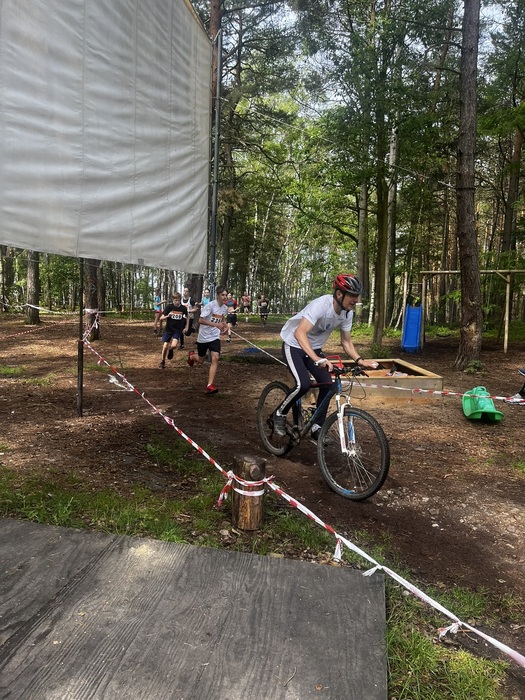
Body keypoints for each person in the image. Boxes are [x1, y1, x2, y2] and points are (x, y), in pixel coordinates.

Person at [273, 274, 378, 441]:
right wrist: (317, 358)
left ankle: (317, 427)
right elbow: (299, 333)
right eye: (352, 295)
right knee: (303, 384)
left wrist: (360, 361)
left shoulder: (347, 313)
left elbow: (346, 342)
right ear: (339, 294)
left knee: (328, 384)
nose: (355, 300)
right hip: (293, 345)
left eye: (357, 296)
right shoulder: (321, 305)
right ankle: (279, 413)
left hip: (313, 348)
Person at [187, 285, 228, 394]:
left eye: (226, 295)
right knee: (201, 360)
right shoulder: (210, 306)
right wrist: (216, 325)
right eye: (222, 295)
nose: (224, 297)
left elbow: (222, 320)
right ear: (217, 296)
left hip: (215, 337)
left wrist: (225, 326)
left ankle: (210, 385)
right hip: (203, 337)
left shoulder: (225, 308)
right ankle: (192, 356)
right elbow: (200, 320)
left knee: (215, 358)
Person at [158, 292, 189, 368]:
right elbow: (161, 318)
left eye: (179, 300)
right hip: (168, 329)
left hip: (177, 330)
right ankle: (162, 361)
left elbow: (188, 317)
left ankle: (171, 350)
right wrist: (168, 316)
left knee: (174, 345)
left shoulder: (183, 308)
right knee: (165, 345)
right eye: (176, 300)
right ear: (173, 300)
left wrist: (187, 327)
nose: (177, 302)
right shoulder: (169, 307)